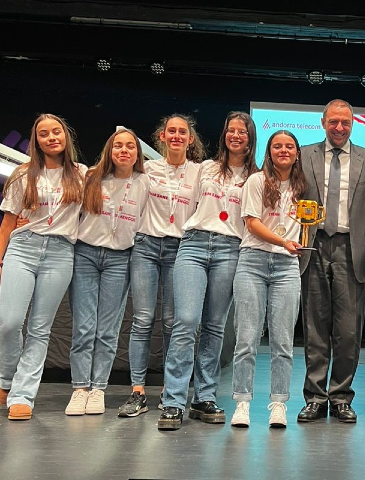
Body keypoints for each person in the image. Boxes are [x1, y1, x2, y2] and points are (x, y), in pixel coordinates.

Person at [157, 112, 257, 430]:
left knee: (214, 326)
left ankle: (204, 397)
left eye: (242, 131)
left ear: (250, 137)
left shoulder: (257, 177)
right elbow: (181, 202)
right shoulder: (205, 168)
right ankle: (173, 400)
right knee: (186, 321)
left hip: (230, 249)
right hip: (194, 244)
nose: (236, 135)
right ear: (224, 135)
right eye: (231, 130)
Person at [297, 99, 365, 423]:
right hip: (313, 244)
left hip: (351, 248)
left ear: (353, 124)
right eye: (333, 122)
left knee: (349, 331)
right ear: (323, 122)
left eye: (345, 122)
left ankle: (342, 397)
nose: (339, 128)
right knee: (315, 327)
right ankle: (315, 398)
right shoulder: (303, 154)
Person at [0, 113, 87, 420]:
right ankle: (7, 379)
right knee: (9, 323)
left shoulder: (81, 175)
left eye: (56, 132)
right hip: (23, 249)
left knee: (39, 329)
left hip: (61, 253)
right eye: (44, 134)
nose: (51, 137)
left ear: (66, 136)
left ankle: (22, 395)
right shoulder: (24, 174)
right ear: (36, 141)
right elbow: (8, 225)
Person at [118, 114, 204, 417]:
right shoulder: (146, 168)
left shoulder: (200, 172)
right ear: (162, 136)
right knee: (142, 319)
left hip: (182, 248)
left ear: (190, 139)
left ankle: (171, 390)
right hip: (146, 245)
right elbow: (107, 178)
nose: (177, 136)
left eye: (183, 132)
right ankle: (138, 391)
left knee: (172, 322)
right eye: (172, 131)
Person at [65, 129, 150, 416]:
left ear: (138, 153)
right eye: (117, 146)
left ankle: (98, 387)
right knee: (84, 326)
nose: (123, 151)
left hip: (120, 259)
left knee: (108, 329)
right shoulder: (91, 177)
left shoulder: (144, 182)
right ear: (109, 150)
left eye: (129, 146)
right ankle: (79, 388)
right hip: (86, 254)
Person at [230, 130, 305, 428]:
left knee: (283, 341)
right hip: (253, 261)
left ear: (297, 153)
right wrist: (283, 242)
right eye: (277, 146)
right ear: (269, 152)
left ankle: (278, 403)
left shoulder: (304, 185)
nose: (283, 151)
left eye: (289, 146)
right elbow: (252, 223)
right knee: (246, 339)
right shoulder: (256, 180)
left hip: (287, 266)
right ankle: (242, 403)